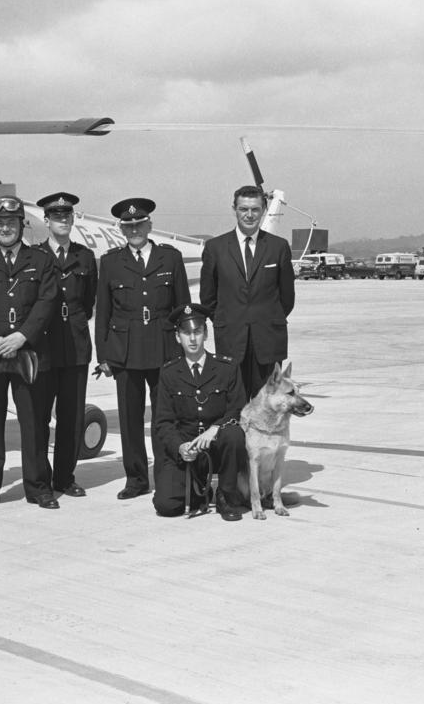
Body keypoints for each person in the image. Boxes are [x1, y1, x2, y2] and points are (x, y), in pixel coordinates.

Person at [0, 196, 59, 509]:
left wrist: (20, 337)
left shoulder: (42, 261)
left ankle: (38, 487)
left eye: (11, 223)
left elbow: (46, 303)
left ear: (22, 225)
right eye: (0, 223)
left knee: (34, 424)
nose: (5, 228)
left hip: (27, 354)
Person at [94, 198, 190, 500]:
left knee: (165, 418)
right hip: (125, 351)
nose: (134, 229)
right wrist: (105, 357)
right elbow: (103, 314)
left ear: (149, 225)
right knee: (130, 420)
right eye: (129, 225)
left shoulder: (170, 259)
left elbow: (183, 306)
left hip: (164, 349)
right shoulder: (110, 263)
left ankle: (166, 472)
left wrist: (186, 350)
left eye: (139, 224)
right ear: (122, 229)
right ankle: (136, 479)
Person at [199, 185, 296, 401]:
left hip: (269, 342)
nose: (249, 215)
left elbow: (287, 298)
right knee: (233, 408)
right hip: (231, 341)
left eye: (255, 209)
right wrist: (227, 321)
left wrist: (269, 320)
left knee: (267, 409)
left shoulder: (278, 247)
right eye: (244, 209)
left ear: (263, 210)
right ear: (234, 209)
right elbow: (208, 297)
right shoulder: (215, 248)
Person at [152, 304, 246, 520]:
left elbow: (238, 409)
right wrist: (180, 447)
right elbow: (163, 422)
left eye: (197, 332)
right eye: (186, 333)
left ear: (205, 334)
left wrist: (216, 428)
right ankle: (200, 493)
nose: (192, 339)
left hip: (217, 445)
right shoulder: (169, 373)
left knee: (233, 434)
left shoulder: (227, 367)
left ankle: (225, 495)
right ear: (177, 337)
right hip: (188, 448)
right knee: (166, 506)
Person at [35, 191, 97, 497]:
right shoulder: (35, 256)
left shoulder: (84, 258)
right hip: (44, 347)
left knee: (71, 417)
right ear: (46, 221)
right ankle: (41, 477)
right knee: (40, 415)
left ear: (72, 220)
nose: (62, 220)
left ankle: (65, 477)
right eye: (56, 216)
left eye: (67, 216)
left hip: (75, 346)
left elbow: (87, 303)